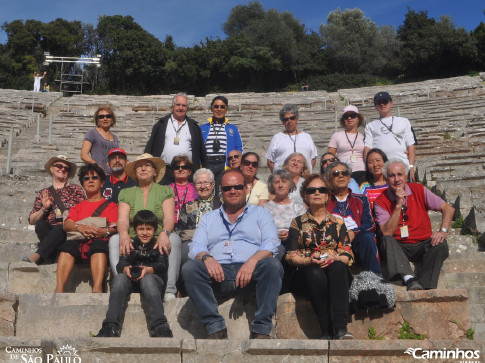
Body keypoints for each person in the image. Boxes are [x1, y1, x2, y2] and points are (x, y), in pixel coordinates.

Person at [181, 169, 283, 339]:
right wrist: (207, 258)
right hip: (218, 273)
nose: (233, 191)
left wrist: (252, 261)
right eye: (228, 188)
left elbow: (272, 243)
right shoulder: (209, 218)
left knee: (272, 265)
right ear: (221, 191)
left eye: (237, 186)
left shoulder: (261, 213)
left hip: (251, 273)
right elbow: (196, 246)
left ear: (246, 189)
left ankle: (261, 329)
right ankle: (215, 327)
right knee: (190, 268)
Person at [285, 174, 353, 340]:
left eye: (322, 190)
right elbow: (290, 255)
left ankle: (341, 328)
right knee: (315, 273)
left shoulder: (338, 223)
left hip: (335, 273)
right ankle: (325, 329)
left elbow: (347, 254)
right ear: (305, 196)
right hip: (307, 274)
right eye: (311, 190)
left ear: (327, 196)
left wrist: (334, 258)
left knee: (337, 267)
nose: (317, 193)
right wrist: (309, 260)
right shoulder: (297, 223)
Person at [374, 159, 454, 290]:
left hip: (422, 243)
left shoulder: (419, 189)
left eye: (400, 174)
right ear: (386, 178)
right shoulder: (380, 201)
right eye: (392, 176)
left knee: (441, 244)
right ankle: (409, 278)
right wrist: (398, 205)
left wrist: (443, 230)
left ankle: (425, 284)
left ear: (406, 176)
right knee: (386, 240)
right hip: (399, 246)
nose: (397, 179)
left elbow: (448, 209)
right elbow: (387, 232)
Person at [110, 154, 179, 302]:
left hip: (157, 237)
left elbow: (169, 218)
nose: (143, 168)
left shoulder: (165, 191)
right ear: (135, 172)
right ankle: (120, 284)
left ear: (155, 172)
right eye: (139, 166)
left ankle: (169, 290)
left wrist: (164, 233)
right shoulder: (126, 193)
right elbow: (122, 220)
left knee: (174, 238)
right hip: (134, 238)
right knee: (115, 239)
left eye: (147, 165)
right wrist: (123, 234)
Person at [95, 210, 172, 338]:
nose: (145, 233)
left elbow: (163, 266)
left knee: (147, 280)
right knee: (119, 279)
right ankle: (110, 326)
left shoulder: (158, 245)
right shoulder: (129, 244)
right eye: (141, 229)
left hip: (152, 282)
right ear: (134, 230)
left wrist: (148, 270)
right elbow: (121, 264)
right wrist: (126, 269)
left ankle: (160, 327)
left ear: (155, 230)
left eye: (149, 229)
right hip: (131, 280)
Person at [55, 164, 118, 293]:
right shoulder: (77, 207)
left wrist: (104, 232)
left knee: (99, 246)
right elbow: (67, 225)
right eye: (86, 178)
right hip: (79, 243)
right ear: (82, 184)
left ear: (101, 183)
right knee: (68, 247)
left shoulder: (111, 206)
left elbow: (115, 227)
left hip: (99, 241)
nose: (90, 180)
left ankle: (97, 288)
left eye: (95, 177)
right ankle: (59, 289)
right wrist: (80, 227)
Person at [24, 155, 85, 264]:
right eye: (59, 165)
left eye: (66, 168)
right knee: (40, 225)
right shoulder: (44, 192)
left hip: (69, 228)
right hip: (49, 230)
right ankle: (56, 255)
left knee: (61, 227)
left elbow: (84, 210)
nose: (62, 169)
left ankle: (38, 256)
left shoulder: (75, 189)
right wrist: (44, 208)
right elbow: (32, 220)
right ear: (52, 169)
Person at [325, 161, 381, 275]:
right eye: (335, 173)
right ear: (329, 180)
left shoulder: (361, 199)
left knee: (368, 237)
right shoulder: (324, 201)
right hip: (333, 241)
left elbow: (370, 224)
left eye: (344, 173)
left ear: (349, 178)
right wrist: (342, 235)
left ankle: (376, 278)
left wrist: (353, 232)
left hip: (357, 240)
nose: (340, 175)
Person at [145, 93, 208, 184]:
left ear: (187, 108)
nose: (180, 108)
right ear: (173, 106)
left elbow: (202, 151)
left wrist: (205, 171)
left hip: (187, 171)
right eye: (178, 105)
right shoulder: (161, 124)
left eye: (184, 105)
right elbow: (150, 146)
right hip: (164, 171)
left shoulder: (194, 126)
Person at [364, 92, 416, 182]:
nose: (382, 104)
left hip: (402, 166)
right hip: (382, 169)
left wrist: (411, 167)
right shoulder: (370, 126)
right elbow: (367, 149)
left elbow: (411, 145)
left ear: (391, 103)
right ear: (375, 106)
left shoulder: (403, 121)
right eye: (379, 102)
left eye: (385, 101)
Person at [177, 168, 222, 267]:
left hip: (216, 242)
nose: (203, 187)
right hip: (191, 243)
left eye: (206, 183)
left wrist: (195, 232)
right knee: (185, 251)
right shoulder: (187, 207)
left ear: (213, 184)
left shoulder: (222, 205)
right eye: (199, 183)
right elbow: (180, 231)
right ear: (194, 185)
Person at [201, 96, 243, 193]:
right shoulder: (203, 128)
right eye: (216, 106)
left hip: (224, 164)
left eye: (222, 107)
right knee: (207, 191)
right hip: (207, 164)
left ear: (226, 109)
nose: (219, 109)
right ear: (212, 108)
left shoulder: (233, 129)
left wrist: (234, 163)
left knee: (223, 192)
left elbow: (239, 148)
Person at [266, 104, 318, 173]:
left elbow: (313, 159)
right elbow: (270, 161)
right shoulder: (277, 138)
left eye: (292, 118)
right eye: (286, 119)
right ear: (282, 122)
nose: (289, 121)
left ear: (297, 119)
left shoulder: (307, 137)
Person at [263, 170, 306, 249]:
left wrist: (291, 234)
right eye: (276, 182)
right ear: (272, 186)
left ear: (290, 185)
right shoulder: (265, 208)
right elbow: (262, 230)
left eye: (284, 182)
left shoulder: (299, 207)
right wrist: (275, 234)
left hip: (295, 244)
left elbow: (305, 228)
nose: (280, 185)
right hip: (273, 245)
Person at [328, 105, 366, 185]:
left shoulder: (363, 137)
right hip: (344, 173)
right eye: (346, 116)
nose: (349, 118)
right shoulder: (337, 136)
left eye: (353, 115)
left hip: (362, 172)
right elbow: (330, 156)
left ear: (358, 118)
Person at [81, 106, 119, 174]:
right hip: (97, 174)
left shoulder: (115, 137)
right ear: (97, 120)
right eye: (101, 117)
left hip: (113, 175)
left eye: (108, 116)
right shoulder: (92, 133)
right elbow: (84, 155)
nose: (105, 119)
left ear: (112, 119)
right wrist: (98, 167)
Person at [169, 155, 197, 224]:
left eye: (184, 167)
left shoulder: (196, 188)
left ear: (189, 172)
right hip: (171, 225)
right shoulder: (166, 189)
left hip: (190, 227)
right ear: (173, 172)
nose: (180, 169)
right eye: (176, 167)